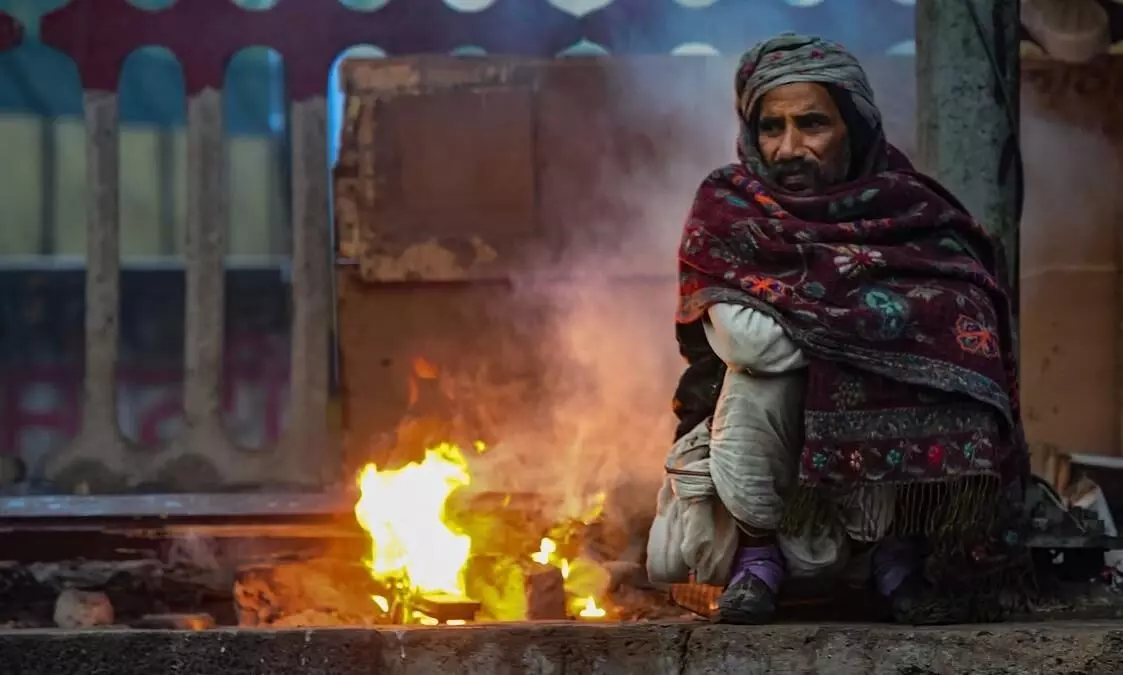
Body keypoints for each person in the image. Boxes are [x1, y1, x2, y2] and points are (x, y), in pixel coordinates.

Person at [646, 33, 1029, 625]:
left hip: (875, 502)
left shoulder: (913, 211)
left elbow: (968, 317)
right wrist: (873, 331)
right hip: (771, 493)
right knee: (755, 382)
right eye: (771, 127)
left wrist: (819, 326)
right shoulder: (728, 210)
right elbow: (749, 342)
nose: (789, 148)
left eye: (812, 124)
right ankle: (757, 558)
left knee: (904, 368)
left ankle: (897, 556)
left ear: (855, 128)